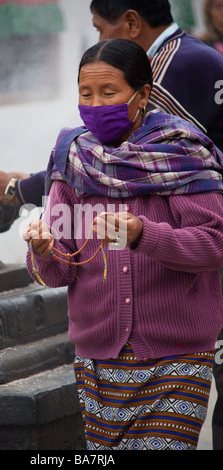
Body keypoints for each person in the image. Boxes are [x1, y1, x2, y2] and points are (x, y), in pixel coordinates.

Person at [23, 38, 223, 451]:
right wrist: (43, 251)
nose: (95, 104)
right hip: (98, 358)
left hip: (177, 354)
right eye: (85, 93)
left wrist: (142, 236)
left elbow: (214, 245)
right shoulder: (72, 159)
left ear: (142, 95)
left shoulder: (182, 154)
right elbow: (61, 269)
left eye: (108, 93)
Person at [0, 0, 223, 206]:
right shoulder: (184, 52)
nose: (100, 40)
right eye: (87, 93)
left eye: (100, 29)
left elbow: (124, 162)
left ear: (132, 23)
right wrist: (42, 177)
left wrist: (20, 188)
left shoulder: (171, 65)